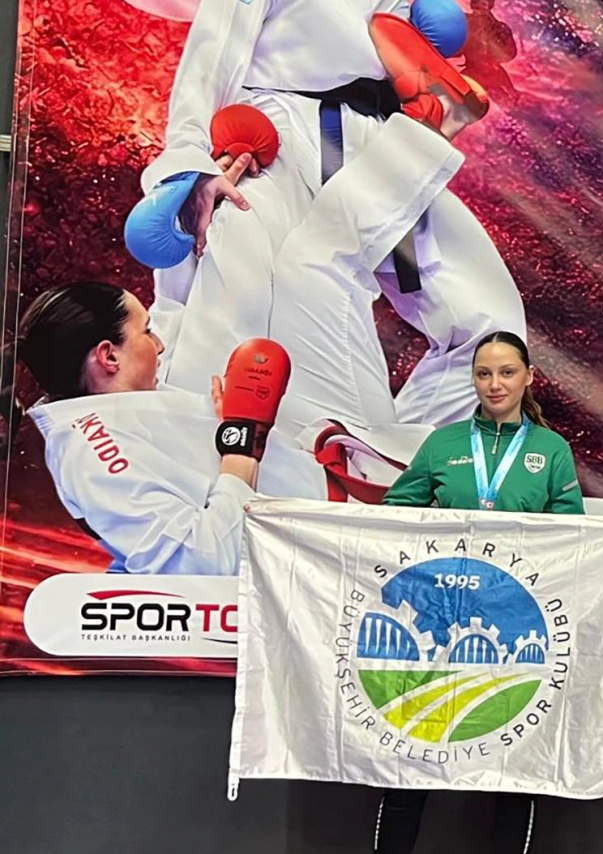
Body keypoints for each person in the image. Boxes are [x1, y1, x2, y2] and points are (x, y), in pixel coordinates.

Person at [337, 330, 603, 854]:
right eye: (483, 374)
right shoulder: (442, 445)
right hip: (437, 640)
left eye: (505, 373)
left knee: (512, 775)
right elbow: (392, 523)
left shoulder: (549, 452)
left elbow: (573, 544)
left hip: (515, 640)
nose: (494, 384)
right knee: (406, 773)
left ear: (528, 378)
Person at [18, 109, 463, 574]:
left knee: (307, 260)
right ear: (108, 356)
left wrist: (189, 205)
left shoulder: (123, 402)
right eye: (144, 333)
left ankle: (424, 138)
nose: (157, 343)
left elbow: (173, 310)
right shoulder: (94, 452)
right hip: (340, 532)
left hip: (318, 459)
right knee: (322, 263)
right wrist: (240, 444)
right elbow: (202, 560)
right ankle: (432, 132)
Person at [138, 0, 522, 429]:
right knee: (239, 309)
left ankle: (393, 459)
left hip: (384, 136)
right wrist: (190, 162)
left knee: (493, 331)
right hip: (282, 136)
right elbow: (215, 45)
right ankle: (207, 456)